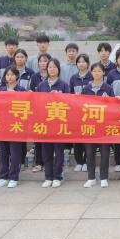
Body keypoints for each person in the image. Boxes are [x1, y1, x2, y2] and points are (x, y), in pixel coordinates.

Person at [36, 58, 70, 188]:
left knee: (59, 151)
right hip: (45, 124)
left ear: (58, 70)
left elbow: (70, 103)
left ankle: (58, 176)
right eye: (49, 67)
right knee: (46, 152)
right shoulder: (41, 85)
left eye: (54, 67)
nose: (52, 69)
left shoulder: (64, 85)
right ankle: (48, 176)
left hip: (59, 124)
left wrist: (59, 96)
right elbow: (37, 103)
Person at [80, 62, 114, 188]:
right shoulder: (86, 89)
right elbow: (81, 105)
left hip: (104, 126)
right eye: (94, 71)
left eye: (99, 71)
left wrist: (108, 100)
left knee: (105, 153)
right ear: (91, 73)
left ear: (103, 73)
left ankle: (104, 177)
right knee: (89, 153)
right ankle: (91, 177)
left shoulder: (108, 88)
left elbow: (114, 108)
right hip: (90, 126)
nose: (97, 73)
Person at [0, 66, 26, 188]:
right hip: (2, 126)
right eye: (7, 75)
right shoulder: (0, 90)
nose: (10, 77)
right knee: (3, 153)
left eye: (12, 75)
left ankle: (13, 177)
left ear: (17, 76)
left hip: (15, 126)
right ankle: (2, 177)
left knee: (15, 153)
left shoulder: (21, 90)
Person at [70, 54, 92, 173]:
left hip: (89, 112)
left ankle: (87, 161)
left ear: (88, 63)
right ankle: (79, 161)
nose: (81, 64)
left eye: (84, 62)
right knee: (77, 137)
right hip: (77, 112)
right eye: (79, 62)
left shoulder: (92, 76)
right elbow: (70, 94)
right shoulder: (73, 78)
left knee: (88, 138)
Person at [28, 53, 50, 173]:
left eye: (45, 61)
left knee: (49, 139)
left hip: (51, 112)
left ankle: (48, 163)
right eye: (41, 61)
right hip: (38, 112)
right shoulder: (34, 76)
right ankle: (38, 162)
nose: (43, 63)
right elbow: (31, 92)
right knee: (38, 138)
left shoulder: (53, 75)